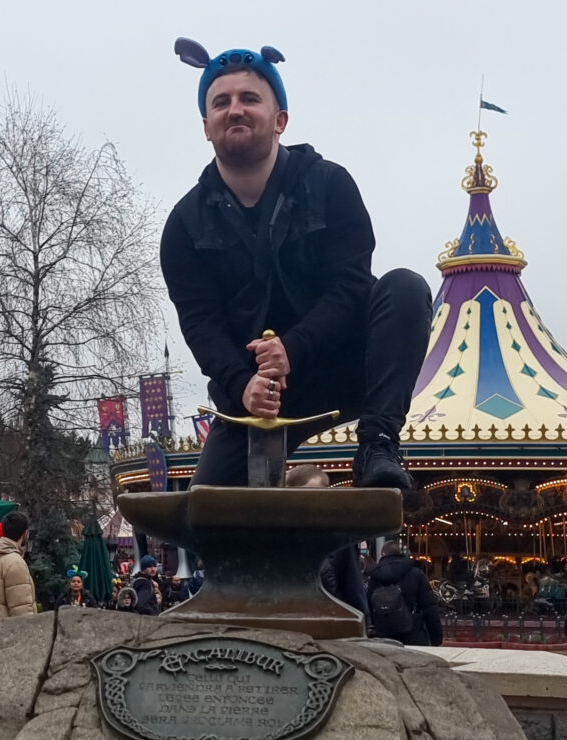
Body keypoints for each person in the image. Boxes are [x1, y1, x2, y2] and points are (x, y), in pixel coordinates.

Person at [163, 39, 431, 491]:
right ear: (206, 126)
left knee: (405, 287)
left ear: (280, 120)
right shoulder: (183, 225)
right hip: (255, 394)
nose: (235, 109)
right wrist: (242, 384)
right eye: (221, 102)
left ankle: (378, 444)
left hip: (342, 362)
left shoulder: (331, 185)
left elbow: (350, 287)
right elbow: (200, 324)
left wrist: (292, 348)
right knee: (206, 510)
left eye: (250, 98)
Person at [285, 464, 370, 624]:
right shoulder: (276, 536)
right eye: (298, 495)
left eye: (313, 496)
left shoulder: (338, 539)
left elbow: (353, 590)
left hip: (327, 625)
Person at [366, 541, 442, 646]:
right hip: (413, 634)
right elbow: (429, 607)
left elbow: (368, 606)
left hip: (383, 635)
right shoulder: (416, 574)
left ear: (383, 554)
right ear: (401, 553)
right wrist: (436, 637)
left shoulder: (375, 577)